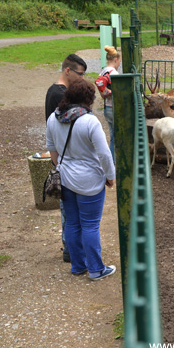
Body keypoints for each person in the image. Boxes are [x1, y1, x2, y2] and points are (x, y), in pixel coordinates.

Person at [46, 79, 116, 281]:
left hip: (65, 178)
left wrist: (61, 166)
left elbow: (52, 148)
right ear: (88, 99)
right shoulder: (90, 121)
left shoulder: (54, 118)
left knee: (73, 223)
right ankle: (96, 269)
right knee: (90, 225)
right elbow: (104, 154)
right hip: (90, 181)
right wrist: (110, 176)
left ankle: (78, 265)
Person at [45, 54, 87, 263]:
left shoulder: (56, 91)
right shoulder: (58, 95)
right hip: (66, 161)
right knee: (70, 212)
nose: (82, 78)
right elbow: (55, 133)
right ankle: (70, 250)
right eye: (80, 74)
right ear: (68, 71)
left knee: (71, 210)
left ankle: (72, 249)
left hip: (65, 160)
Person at [99, 45, 121, 163]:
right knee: (115, 139)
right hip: (114, 108)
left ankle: (111, 161)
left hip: (107, 107)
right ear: (116, 59)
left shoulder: (103, 71)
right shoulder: (114, 73)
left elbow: (102, 92)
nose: (119, 65)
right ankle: (112, 162)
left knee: (112, 137)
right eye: (119, 62)